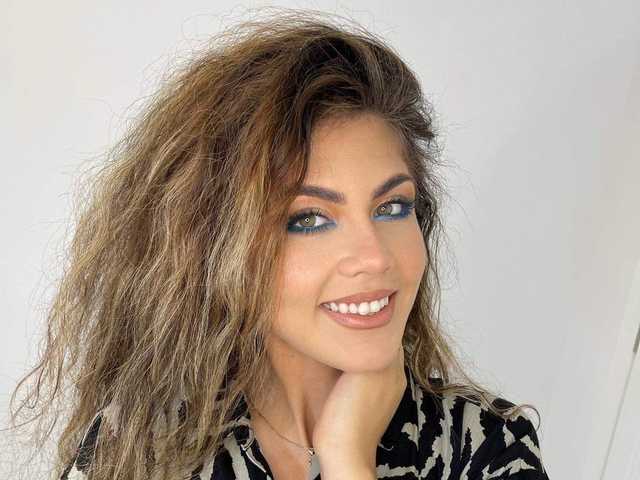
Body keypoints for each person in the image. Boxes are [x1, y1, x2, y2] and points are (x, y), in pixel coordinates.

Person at [10, 8, 550, 480]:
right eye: (309, 219)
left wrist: (347, 459)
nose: (374, 257)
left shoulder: (484, 450)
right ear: (219, 247)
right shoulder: (140, 452)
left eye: (391, 207)